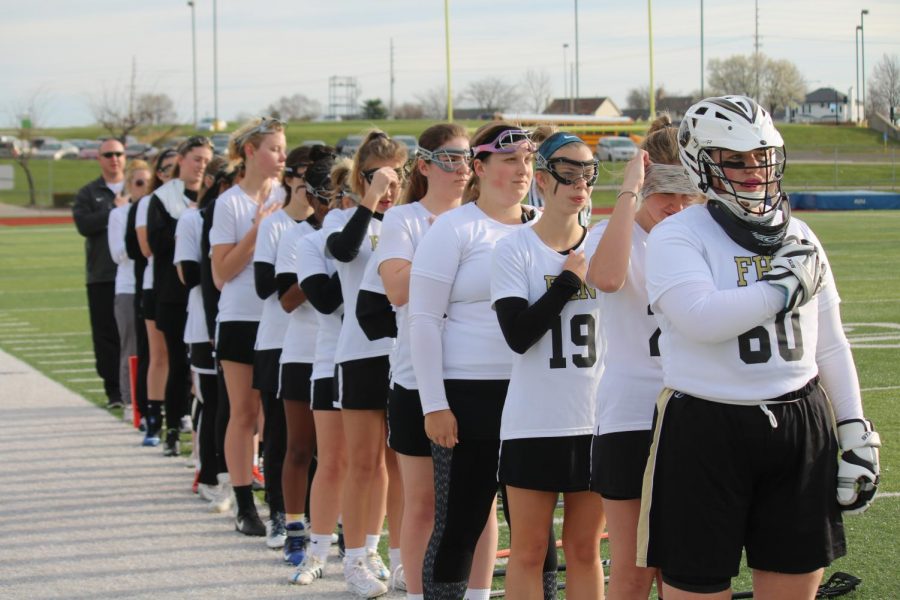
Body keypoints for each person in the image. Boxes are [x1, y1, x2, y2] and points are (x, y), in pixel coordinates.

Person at [639, 95, 880, 599]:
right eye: (734, 159)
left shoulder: (801, 233)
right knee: (695, 587)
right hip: (706, 423)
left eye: (761, 156)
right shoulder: (678, 234)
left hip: (800, 422)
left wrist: (853, 428)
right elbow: (699, 319)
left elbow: (830, 342)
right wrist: (781, 287)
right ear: (700, 163)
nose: (752, 171)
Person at [409, 123, 538, 600]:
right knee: (462, 521)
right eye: (510, 160)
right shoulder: (454, 228)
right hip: (472, 393)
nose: (522, 170)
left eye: (527, 159)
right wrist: (434, 403)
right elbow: (423, 320)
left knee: (534, 529)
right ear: (479, 168)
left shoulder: (544, 226)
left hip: (537, 393)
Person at [585, 115, 703, 599]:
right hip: (630, 414)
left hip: (697, 411)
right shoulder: (609, 232)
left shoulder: (703, 236)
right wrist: (630, 191)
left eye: (686, 193)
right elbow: (608, 279)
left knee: (687, 568)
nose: (674, 206)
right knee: (633, 573)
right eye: (663, 192)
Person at [491, 132, 606, 600]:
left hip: (596, 417)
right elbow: (518, 335)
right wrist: (565, 284)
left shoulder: (604, 246)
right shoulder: (514, 248)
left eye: (588, 172)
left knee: (584, 549)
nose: (580, 183)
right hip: (534, 421)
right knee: (529, 549)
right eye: (568, 171)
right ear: (542, 179)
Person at [365, 123, 470, 600]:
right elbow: (399, 289)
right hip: (414, 377)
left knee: (477, 506)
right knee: (422, 503)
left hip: (477, 374)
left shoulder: (484, 217)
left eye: (468, 157)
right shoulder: (403, 219)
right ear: (424, 165)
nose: (463, 167)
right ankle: (415, 593)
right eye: (450, 158)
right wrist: (450, 248)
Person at [325, 130, 406, 599]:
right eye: (381, 176)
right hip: (359, 353)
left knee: (401, 464)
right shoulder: (343, 218)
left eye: (399, 175)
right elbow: (342, 250)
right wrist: (369, 200)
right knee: (364, 464)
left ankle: (399, 559)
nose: (392, 187)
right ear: (361, 176)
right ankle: (356, 558)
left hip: (403, 356)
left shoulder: (411, 220)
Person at [210, 117, 286, 536]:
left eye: (283, 148)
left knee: (273, 416)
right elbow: (221, 273)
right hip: (240, 317)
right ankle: (243, 504)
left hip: (277, 320)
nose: (281, 157)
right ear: (250, 152)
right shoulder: (229, 203)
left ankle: (280, 501)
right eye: (274, 148)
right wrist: (258, 230)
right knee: (244, 412)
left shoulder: (288, 195)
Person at [289, 159, 355, 587]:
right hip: (333, 358)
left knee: (380, 466)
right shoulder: (312, 242)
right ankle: (317, 552)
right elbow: (329, 300)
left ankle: (365, 549)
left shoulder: (393, 230)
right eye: (344, 193)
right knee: (333, 461)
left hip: (386, 357)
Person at [148, 136, 214, 457]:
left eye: (206, 159)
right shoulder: (163, 197)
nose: (201, 164)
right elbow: (155, 244)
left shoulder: (216, 196)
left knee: (203, 370)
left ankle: (200, 432)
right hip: (174, 294)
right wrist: (184, 223)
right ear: (182, 160)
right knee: (178, 364)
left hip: (207, 294)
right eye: (196, 158)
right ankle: (173, 427)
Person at [72, 138, 126, 409]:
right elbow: (83, 224)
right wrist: (113, 212)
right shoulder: (88, 192)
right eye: (108, 154)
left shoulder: (138, 187)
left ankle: (135, 389)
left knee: (131, 335)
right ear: (99, 159)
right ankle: (114, 391)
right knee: (105, 334)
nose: (114, 159)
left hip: (132, 276)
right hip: (102, 275)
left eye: (118, 154)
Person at [135, 149, 178, 445]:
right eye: (169, 169)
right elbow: (147, 248)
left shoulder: (199, 198)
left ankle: (182, 416)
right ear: (160, 174)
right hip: (158, 286)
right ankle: (154, 418)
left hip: (190, 289)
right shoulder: (151, 203)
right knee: (160, 355)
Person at [107, 160, 151, 423]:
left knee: (156, 351)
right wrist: (138, 235)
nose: (144, 189)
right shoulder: (119, 215)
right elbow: (118, 254)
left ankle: (153, 401)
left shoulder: (155, 209)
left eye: (148, 183)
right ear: (128, 186)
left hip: (151, 285)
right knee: (131, 347)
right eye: (138, 183)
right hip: (128, 288)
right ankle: (129, 400)